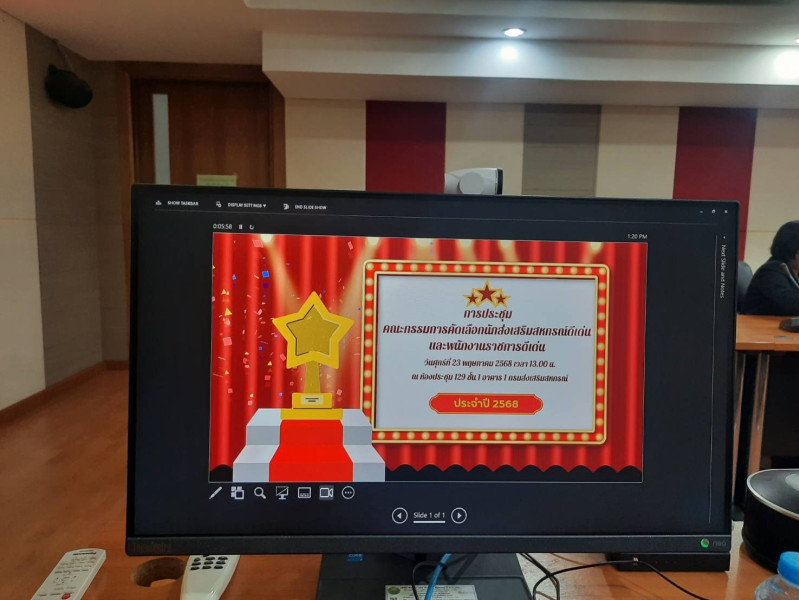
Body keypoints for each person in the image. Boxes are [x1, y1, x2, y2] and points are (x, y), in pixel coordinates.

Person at [743, 220, 799, 316]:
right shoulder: (770, 272)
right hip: (756, 325)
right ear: (791, 249)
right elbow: (790, 305)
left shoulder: (795, 272)